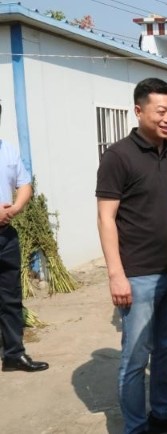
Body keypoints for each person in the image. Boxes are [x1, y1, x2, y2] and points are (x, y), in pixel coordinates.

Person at [95, 78, 167, 434]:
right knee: (135, 358)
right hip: (138, 275)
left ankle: (164, 412)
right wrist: (116, 274)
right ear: (138, 111)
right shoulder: (118, 156)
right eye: (161, 111)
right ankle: (135, 426)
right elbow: (106, 218)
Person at [0, 101, 48, 373]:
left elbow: (24, 184)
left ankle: (13, 355)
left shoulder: (7, 150)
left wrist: (16, 208)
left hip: (6, 236)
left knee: (10, 298)